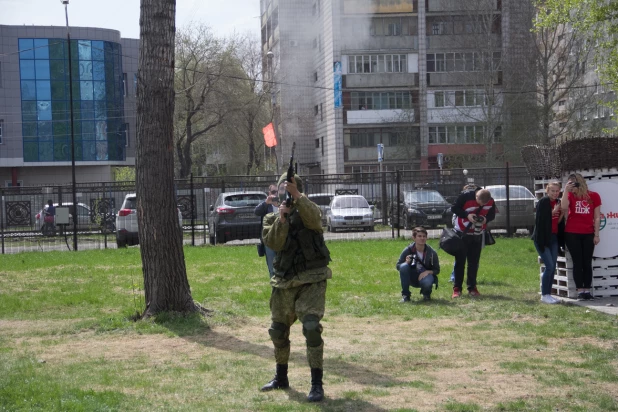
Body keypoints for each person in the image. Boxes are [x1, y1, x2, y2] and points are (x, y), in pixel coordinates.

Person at [260, 172, 332, 402]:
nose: (286, 192)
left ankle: (316, 384)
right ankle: (281, 377)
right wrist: (282, 218)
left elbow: (315, 219)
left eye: (290, 188)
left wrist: (298, 198)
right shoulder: (272, 218)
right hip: (284, 280)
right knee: (277, 330)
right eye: (284, 188)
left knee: (311, 326)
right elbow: (272, 242)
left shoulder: (309, 209)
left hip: (311, 278)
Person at [561, 173, 602, 300]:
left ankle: (587, 291)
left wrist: (596, 234)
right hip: (572, 233)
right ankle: (580, 291)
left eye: (574, 183)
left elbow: (597, 216)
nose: (572, 186)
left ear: (580, 182)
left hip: (588, 233)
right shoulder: (569, 195)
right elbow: (563, 207)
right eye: (570, 183)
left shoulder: (594, 196)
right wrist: (565, 191)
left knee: (587, 262)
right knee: (577, 262)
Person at [451, 188, 496, 298]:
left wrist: (485, 219)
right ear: (476, 196)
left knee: (474, 262)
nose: (482, 205)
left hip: (477, 234)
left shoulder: (490, 201)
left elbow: (492, 215)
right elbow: (454, 208)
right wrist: (467, 215)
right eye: (480, 203)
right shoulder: (465, 196)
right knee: (460, 262)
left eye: (484, 204)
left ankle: (472, 287)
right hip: (462, 233)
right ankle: (457, 289)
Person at [532, 182, 565, 304]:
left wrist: (560, 213)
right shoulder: (544, 202)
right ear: (547, 191)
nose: (555, 193)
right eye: (553, 191)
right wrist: (554, 210)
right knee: (549, 266)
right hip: (542, 238)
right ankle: (544, 295)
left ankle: (548, 294)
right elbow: (541, 219)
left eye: (557, 191)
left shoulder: (558, 202)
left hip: (553, 237)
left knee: (552, 267)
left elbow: (557, 221)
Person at [396, 227, 440, 302]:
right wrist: (406, 263)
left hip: (425, 276)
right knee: (404, 266)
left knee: (427, 281)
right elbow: (398, 266)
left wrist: (427, 272)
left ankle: (426, 294)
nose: (422, 238)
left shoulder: (432, 252)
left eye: (424, 236)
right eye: (419, 236)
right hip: (411, 277)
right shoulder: (408, 250)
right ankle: (406, 296)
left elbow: (437, 270)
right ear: (414, 238)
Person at [449, 184, 480, 283]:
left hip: (475, 235)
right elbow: (454, 216)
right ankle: (455, 278)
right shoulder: (461, 202)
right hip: (462, 234)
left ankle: (471, 282)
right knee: (459, 260)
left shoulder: (480, 204)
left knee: (473, 261)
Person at [254, 184, 279, 278]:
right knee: (272, 269)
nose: (276, 194)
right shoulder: (266, 205)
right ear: (269, 193)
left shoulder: (285, 203)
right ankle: (275, 289)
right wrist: (266, 202)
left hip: (283, 239)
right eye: (273, 192)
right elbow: (256, 212)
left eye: (278, 191)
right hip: (269, 241)